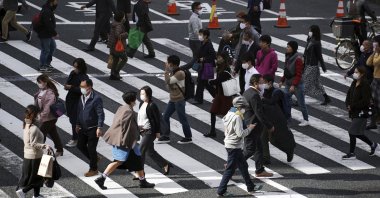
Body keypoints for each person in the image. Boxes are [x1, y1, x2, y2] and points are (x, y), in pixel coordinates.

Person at [94, 91, 155, 190]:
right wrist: (130, 141)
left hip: (124, 139)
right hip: (126, 141)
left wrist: (138, 127)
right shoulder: (129, 112)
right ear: (132, 101)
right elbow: (125, 128)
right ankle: (101, 178)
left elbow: (124, 124)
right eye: (135, 98)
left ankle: (142, 181)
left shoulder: (122, 107)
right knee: (119, 161)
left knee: (137, 160)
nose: (136, 100)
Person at [217, 96, 262, 197]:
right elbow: (240, 134)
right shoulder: (237, 117)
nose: (245, 109)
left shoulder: (229, 113)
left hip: (230, 143)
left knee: (243, 166)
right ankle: (221, 190)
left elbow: (225, 126)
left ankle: (250, 186)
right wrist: (250, 128)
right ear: (239, 106)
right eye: (244, 107)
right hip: (234, 146)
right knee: (230, 170)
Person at [343, 66, 378, 159]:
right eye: (354, 72)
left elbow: (365, 101)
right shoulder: (354, 82)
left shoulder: (365, 85)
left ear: (362, 74)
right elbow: (349, 94)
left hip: (361, 112)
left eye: (356, 72)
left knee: (351, 132)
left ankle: (351, 153)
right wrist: (348, 105)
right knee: (358, 133)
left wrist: (353, 106)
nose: (354, 74)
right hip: (354, 111)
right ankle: (373, 144)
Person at [16, 105, 51, 198]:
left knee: (35, 176)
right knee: (38, 178)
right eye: (38, 114)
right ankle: (23, 191)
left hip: (30, 155)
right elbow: (33, 144)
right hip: (35, 156)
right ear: (35, 115)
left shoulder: (26, 124)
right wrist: (45, 146)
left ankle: (36, 195)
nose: (40, 116)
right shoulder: (34, 128)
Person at [243, 74, 274, 177]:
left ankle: (260, 170)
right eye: (261, 82)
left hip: (249, 124)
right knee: (250, 149)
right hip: (252, 126)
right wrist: (269, 126)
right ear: (255, 83)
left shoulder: (247, 92)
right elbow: (259, 113)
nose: (263, 84)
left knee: (259, 148)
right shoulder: (254, 95)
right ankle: (232, 164)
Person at [157, 55, 193, 144]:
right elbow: (168, 86)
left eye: (168, 63)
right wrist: (169, 82)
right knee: (165, 116)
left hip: (179, 99)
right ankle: (166, 136)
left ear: (172, 64)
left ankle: (188, 137)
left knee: (182, 119)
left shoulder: (179, 73)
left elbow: (168, 82)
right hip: (173, 98)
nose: (167, 64)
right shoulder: (174, 71)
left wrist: (166, 71)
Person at [262, 75, 296, 164]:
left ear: (269, 83)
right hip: (268, 118)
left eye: (263, 82)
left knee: (274, 140)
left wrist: (261, 99)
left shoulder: (277, 92)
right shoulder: (265, 91)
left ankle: (289, 149)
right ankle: (266, 158)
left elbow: (272, 102)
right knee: (263, 137)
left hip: (279, 119)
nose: (262, 84)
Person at [138, 86, 172, 174]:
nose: (141, 95)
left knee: (140, 151)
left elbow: (156, 120)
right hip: (142, 131)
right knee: (150, 152)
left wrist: (157, 132)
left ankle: (140, 173)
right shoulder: (141, 104)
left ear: (148, 94)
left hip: (150, 131)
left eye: (143, 94)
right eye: (140, 93)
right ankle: (165, 164)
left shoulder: (152, 105)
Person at [76, 79, 105, 177]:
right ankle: (95, 158)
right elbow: (80, 111)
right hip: (83, 127)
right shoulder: (81, 97)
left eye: (83, 87)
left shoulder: (96, 98)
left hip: (93, 127)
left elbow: (100, 114)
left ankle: (94, 169)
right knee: (80, 145)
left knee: (91, 148)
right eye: (81, 86)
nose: (81, 88)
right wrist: (77, 124)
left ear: (90, 87)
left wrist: (99, 127)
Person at [279, 41, 309, 126]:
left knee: (301, 103)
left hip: (297, 85)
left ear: (293, 48)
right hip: (288, 83)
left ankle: (306, 120)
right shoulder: (287, 56)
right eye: (287, 46)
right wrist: (282, 80)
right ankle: (288, 118)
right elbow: (286, 70)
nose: (287, 48)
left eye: (288, 47)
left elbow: (299, 74)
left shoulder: (298, 59)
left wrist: (293, 85)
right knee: (286, 101)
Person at [34, 74, 63, 156]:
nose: (39, 84)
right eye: (38, 82)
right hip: (47, 117)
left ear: (45, 82)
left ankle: (39, 152)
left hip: (50, 117)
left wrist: (41, 116)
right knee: (53, 133)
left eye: (40, 82)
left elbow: (47, 107)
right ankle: (60, 149)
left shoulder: (50, 93)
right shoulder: (41, 90)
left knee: (41, 135)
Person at [206, 52, 233, 137]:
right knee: (213, 112)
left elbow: (219, 80)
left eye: (220, 58)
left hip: (226, 95)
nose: (218, 59)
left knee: (227, 114)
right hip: (219, 94)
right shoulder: (219, 68)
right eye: (217, 58)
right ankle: (212, 131)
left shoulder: (226, 69)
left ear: (224, 59)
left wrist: (211, 82)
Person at [64, 58, 89, 147]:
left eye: (77, 68)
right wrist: (67, 86)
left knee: (75, 120)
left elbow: (84, 90)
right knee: (72, 118)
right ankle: (80, 136)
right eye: (74, 67)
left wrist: (71, 87)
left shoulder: (84, 77)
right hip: (70, 99)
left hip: (78, 101)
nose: (75, 69)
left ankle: (75, 138)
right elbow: (68, 82)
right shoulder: (73, 73)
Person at [304, 25, 331, 106]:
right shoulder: (310, 40)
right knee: (317, 83)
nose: (309, 32)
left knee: (305, 83)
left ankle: (299, 100)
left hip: (313, 66)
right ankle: (327, 98)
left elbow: (319, 55)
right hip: (307, 64)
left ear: (314, 32)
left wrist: (323, 66)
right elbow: (306, 51)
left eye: (310, 30)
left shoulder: (317, 42)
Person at [192, 29, 216, 105]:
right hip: (203, 65)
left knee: (201, 82)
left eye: (201, 34)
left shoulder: (208, 44)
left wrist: (204, 58)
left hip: (207, 66)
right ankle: (217, 96)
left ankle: (198, 99)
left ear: (205, 36)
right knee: (205, 83)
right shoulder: (203, 42)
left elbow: (213, 55)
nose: (199, 36)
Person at [235, 30, 260, 94]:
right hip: (243, 69)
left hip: (250, 67)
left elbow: (257, 59)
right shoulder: (243, 46)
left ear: (250, 38)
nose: (243, 40)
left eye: (245, 39)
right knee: (242, 84)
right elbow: (240, 58)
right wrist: (236, 70)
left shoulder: (256, 47)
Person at [37, 0, 58, 72]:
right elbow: (47, 24)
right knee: (45, 50)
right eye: (56, 0)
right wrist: (54, 33)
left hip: (48, 33)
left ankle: (47, 63)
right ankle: (42, 65)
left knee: (52, 47)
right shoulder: (46, 11)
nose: (57, 2)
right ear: (52, 1)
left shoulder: (49, 8)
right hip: (44, 33)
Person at [107, 11, 128, 80]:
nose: (124, 17)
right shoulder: (119, 25)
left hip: (112, 46)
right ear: (121, 18)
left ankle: (112, 74)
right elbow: (117, 35)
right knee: (125, 59)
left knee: (115, 60)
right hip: (117, 47)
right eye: (124, 16)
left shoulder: (114, 24)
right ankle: (116, 72)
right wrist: (125, 34)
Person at [182, 1, 202, 70]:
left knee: (196, 58)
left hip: (194, 41)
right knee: (196, 58)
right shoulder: (194, 18)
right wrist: (202, 38)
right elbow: (196, 31)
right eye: (200, 8)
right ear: (195, 9)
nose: (201, 9)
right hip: (195, 41)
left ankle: (197, 71)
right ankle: (179, 69)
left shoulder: (196, 17)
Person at [367, 36, 380, 130]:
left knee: (376, 102)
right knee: (372, 101)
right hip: (375, 80)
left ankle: (375, 120)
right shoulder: (376, 54)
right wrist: (374, 53)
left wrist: (376, 52)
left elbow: (377, 63)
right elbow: (368, 63)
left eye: (376, 43)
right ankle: (373, 122)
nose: (374, 45)